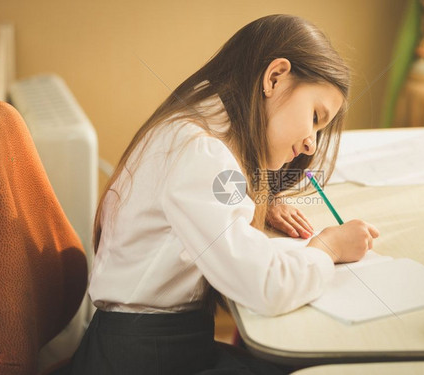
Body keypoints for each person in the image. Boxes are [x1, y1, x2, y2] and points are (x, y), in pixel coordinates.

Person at [67, 14, 379, 374]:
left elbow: (215, 194)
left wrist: (258, 201)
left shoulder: (197, 126)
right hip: (141, 359)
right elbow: (266, 287)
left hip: (146, 344)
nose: (311, 141)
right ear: (274, 77)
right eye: (314, 116)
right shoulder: (201, 154)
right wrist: (329, 247)